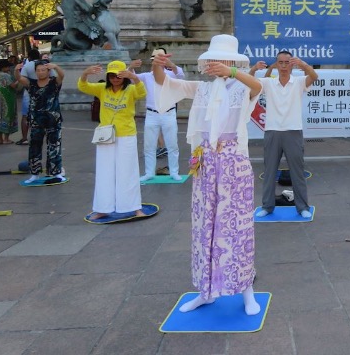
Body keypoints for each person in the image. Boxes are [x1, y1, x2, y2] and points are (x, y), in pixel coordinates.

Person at [151, 35, 264, 315]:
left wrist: (235, 73)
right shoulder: (202, 88)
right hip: (205, 161)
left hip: (233, 161)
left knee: (236, 225)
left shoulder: (242, 86)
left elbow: (258, 85)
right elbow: (166, 84)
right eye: (214, 60)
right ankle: (206, 291)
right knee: (204, 225)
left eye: (223, 60)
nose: (217, 64)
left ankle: (246, 290)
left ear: (233, 62)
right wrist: (158, 65)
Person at [250, 51, 319, 219]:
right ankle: (267, 206)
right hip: (272, 131)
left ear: (291, 64)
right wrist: (253, 69)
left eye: (286, 62)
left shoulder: (299, 82)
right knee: (269, 171)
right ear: (276, 65)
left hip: (293, 131)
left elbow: (314, 76)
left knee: (297, 171)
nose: (283, 66)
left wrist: (303, 65)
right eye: (280, 62)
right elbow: (249, 82)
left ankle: (302, 206)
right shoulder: (268, 83)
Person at [78, 61, 145, 219]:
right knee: (104, 172)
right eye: (112, 76)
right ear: (108, 76)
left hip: (127, 134)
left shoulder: (130, 89)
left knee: (128, 172)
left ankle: (135, 207)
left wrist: (134, 77)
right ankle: (102, 208)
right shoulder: (102, 89)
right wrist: (85, 73)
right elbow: (83, 86)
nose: (116, 78)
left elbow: (142, 93)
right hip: (106, 135)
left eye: (119, 75)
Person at [131, 49, 185, 182]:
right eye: (155, 58)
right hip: (152, 114)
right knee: (149, 146)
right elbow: (132, 79)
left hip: (168, 113)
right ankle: (149, 172)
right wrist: (131, 67)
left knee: (172, 145)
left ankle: (174, 172)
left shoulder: (170, 74)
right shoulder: (146, 76)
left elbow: (181, 76)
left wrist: (171, 64)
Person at [14, 60, 65, 184]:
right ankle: (34, 174)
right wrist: (16, 70)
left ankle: (56, 172)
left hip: (53, 119)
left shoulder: (54, 82)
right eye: (38, 70)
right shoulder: (31, 84)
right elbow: (20, 79)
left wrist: (56, 66)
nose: (41, 72)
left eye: (43, 70)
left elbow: (62, 76)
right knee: (34, 146)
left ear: (48, 71)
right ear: (35, 72)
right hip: (36, 120)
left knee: (54, 146)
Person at [15, 49, 42, 145]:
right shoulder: (44, 65)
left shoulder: (26, 66)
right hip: (43, 92)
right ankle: (40, 136)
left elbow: (22, 80)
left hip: (29, 92)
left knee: (25, 116)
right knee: (42, 114)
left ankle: (24, 138)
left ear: (29, 57)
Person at [0, 60, 20, 144]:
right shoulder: (6, 76)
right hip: (7, 98)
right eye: (8, 66)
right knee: (8, 115)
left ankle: (0, 139)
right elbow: (13, 85)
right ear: (3, 67)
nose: (9, 68)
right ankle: (6, 139)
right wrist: (20, 79)